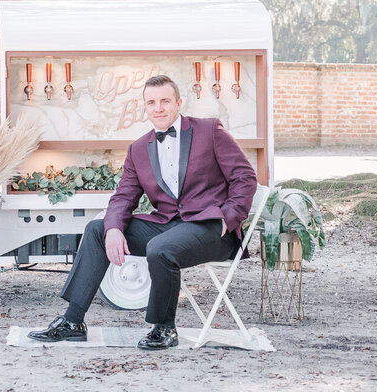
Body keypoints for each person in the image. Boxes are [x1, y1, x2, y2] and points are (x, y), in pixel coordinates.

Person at [29, 74, 257, 350]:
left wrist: (227, 218)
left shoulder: (209, 130)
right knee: (97, 229)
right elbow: (124, 196)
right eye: (151, 102)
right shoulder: (138, 149)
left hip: (211, 228)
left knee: (160, 248)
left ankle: (164, 328)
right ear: (145, 107)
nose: (158, 108)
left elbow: (245, 178)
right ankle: (73, 321)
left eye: (164, 101)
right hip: (168, 224)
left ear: (178, 103)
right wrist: (113, 228)